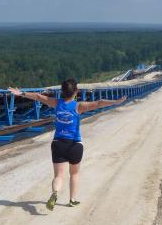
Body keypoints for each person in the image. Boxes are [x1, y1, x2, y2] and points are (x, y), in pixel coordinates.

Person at [8, 79, 126, 211]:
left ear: (62, 92)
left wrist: (21, 93)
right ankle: (72, 200)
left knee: (58, 176)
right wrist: (116, 102)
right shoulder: (79, 106)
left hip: (58, 144)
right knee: (74, 174)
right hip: (74, 145)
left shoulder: (56, 103)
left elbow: (38, 97)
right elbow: (99, 103)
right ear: (76, 91)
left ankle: (55, 193)